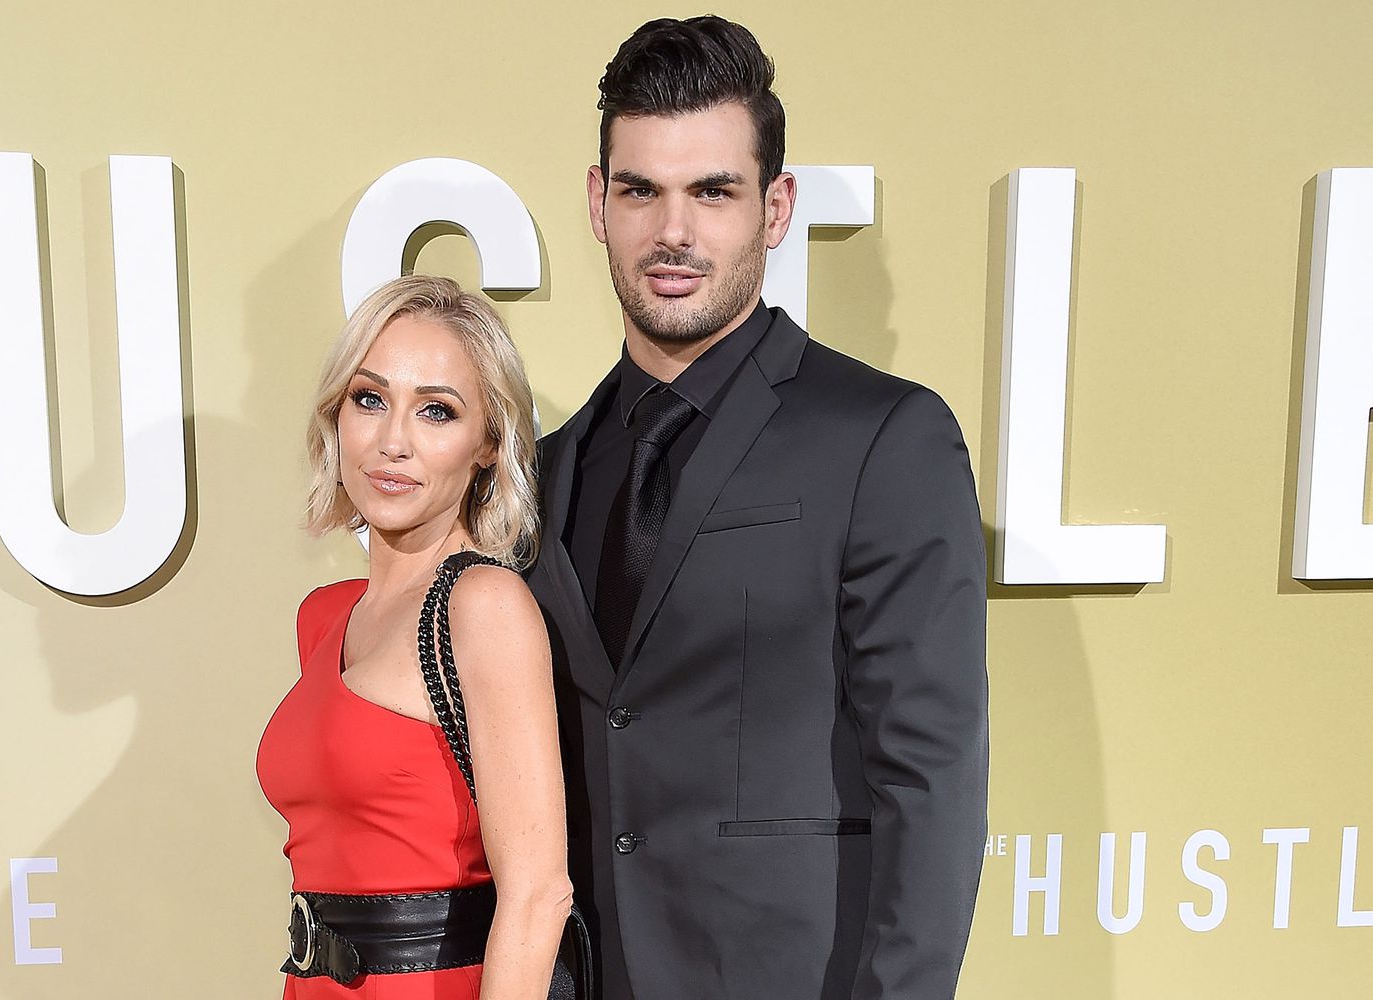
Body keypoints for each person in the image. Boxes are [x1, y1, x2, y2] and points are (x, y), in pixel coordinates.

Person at [526, 16, 989, 1000]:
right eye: (642, 189)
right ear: (599, 202)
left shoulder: (881, 439)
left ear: (775, 208)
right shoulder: (547, 470)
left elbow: (931, 786)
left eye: (713, 192)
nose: (674, 231)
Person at [257, 274, 573, 999]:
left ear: (488, 444)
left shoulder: (481, 605)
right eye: (369, 399)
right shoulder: (324, 616)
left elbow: (538, 894)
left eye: (437, 411)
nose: (392, 441)